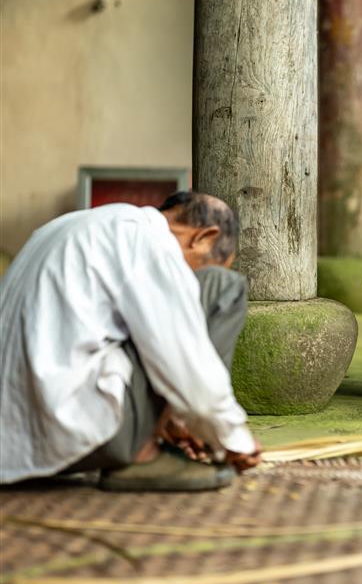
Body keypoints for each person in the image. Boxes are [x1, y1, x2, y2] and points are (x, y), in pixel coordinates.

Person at [0, 191, 261, 490]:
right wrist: (231, 437)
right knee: (224, 285)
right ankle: (141, 455)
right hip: (73, 431)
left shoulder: (69, 227)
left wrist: (169, 419)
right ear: (203, 237)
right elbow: (177, 350)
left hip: (15, 446)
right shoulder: (146, 239)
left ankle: (157, 430)